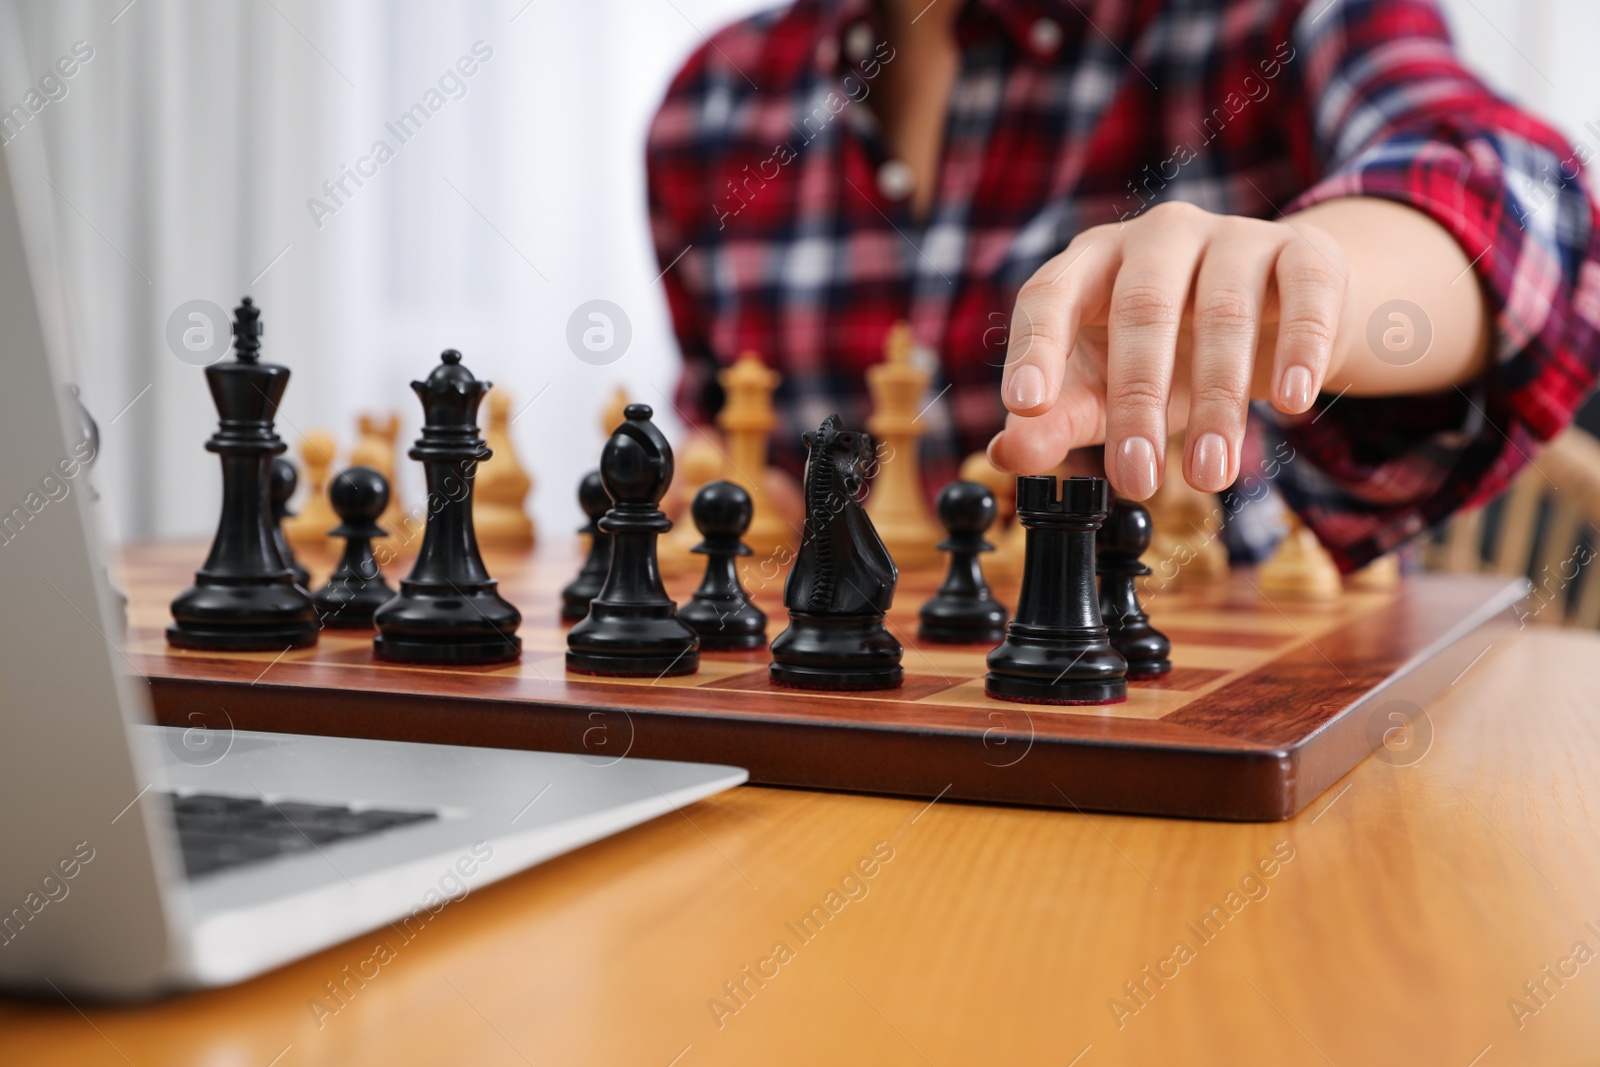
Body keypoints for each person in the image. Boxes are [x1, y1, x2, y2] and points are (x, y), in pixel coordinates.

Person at [646, 0, 1600, 571]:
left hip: (1215, 736)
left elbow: (1533, 203)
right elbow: (729, 442)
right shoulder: (709, 105)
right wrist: (744, 500)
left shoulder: (1264, 22)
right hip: (843, 742)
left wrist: (1305, 283)